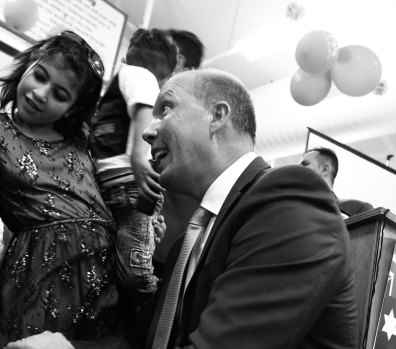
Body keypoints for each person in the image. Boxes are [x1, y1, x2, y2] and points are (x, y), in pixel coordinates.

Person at [135, 68, 358, 348]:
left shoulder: (288, 200)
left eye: (165, 108)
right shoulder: (185, 246)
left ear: (217, 116)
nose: (147, 131)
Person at [0, 31, 128, 349]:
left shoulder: (82, 141)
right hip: (38, 280)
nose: (41, 94)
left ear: (72, 108)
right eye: (39, 76)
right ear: (28, 65)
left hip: (103, 285)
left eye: (59, 94)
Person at [85, 28, 176, 305]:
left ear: (125, 57)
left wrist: (138, 154)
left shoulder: (135, 74)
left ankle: (156, 299)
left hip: (129, 182)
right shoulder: (136, 80)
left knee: (136, 267)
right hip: (123, 185)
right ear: (167, 78)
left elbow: (143, 111)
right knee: (131, 249)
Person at [153, 28, 205, 279]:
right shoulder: (159, 110)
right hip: (148, 245)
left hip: (161, 257)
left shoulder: (191, 120)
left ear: (180, 62)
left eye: (161, 54)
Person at [299, 146, 373, 218]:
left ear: (325, 170)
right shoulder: (294, 212)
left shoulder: (356, 209)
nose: (296, 168)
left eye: (305, 164)